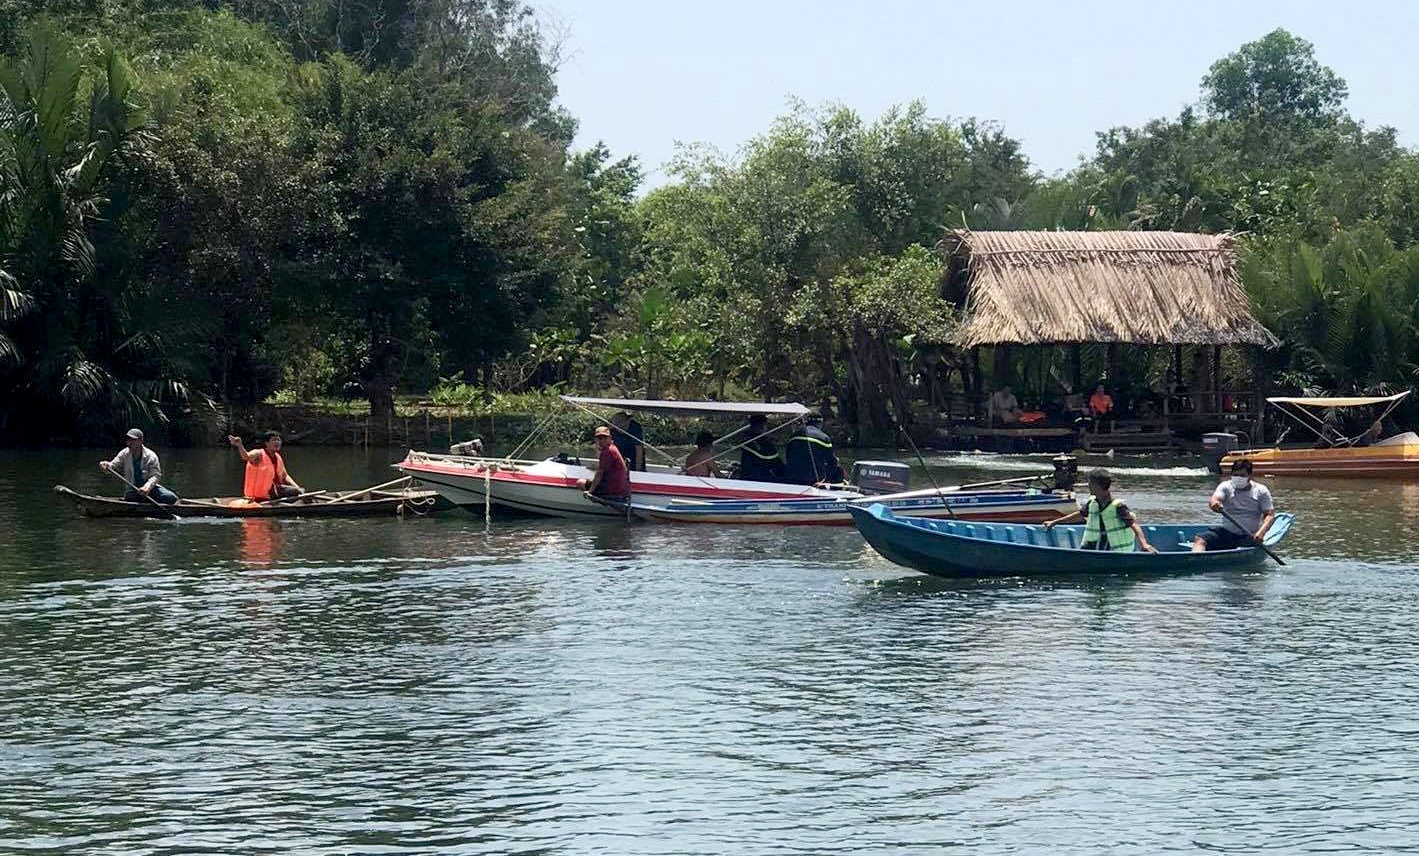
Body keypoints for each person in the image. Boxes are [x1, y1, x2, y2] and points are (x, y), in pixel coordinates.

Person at [1044, 468, 1157, 553]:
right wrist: (1054, 522)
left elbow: (1134, 525)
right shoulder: (1093, 502)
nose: (1088, 486)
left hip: (1112, 549)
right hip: (1093, 545)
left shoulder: (1118, 506)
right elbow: (1080, 515)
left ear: (1097, 486)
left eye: (1090, 483)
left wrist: (1144, 544)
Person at [1193, 459, 1275, 552]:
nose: (1238, 478)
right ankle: (1196, 561)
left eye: (1242, 475)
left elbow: (1269, 515)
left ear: (1250, 476)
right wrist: (1215, 503)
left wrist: (1261, 533)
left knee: (1247, 546)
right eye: (1235, 475)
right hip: (1227, 533)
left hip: (1249, 535)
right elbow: (1215, 499)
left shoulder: (1261, 490)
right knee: (1200, 539)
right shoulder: (1226, 486)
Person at [99, 428, 179, 504]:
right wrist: (106, 465)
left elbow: (156, 476)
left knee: (171, 498)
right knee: (131, 497)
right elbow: (113, 465)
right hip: (133, 491)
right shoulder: (124, 454)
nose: (129, 443)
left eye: (133, 440)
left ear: (141, 441)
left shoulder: (151, 456)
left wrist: (146, 487)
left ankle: (147, 503)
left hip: (150, 489)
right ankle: (146, 504)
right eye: (128, 440)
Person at [229, 431, 305, 501]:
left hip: (275, 491)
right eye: (274, 440)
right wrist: (240, 445)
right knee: (298, 491)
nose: (277, 442)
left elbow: (285, 476)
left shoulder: (278, 457)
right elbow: (246, 457)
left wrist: (297, 487)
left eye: (278, 440)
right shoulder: (258, 453)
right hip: (263, 493)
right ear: (267, 443)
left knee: (300, 490)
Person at [784, 415, 845, 486]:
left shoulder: (793, 436)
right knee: (838, 470)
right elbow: (832, 461)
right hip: (812, 478)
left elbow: (788, 456)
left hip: (791, 476)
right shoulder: (824, 437)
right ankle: (837, 490)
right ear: (820, 424)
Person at [581, 425, 631, 501]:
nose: (602, 440)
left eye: (605, 438)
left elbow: (599, 474)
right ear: (596, 439)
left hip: (613, 490)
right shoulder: (612, 448)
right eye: (599, 438)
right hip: (619, 487)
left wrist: (590, 491)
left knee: (580, 482)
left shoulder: (607, 452)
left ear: (610, 438)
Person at [739, 413, 784, 482]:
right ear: (763, 425)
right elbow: (776, 465)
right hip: (762, 479)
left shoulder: (746, 440)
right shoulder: (764, 444)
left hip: (745, 476)